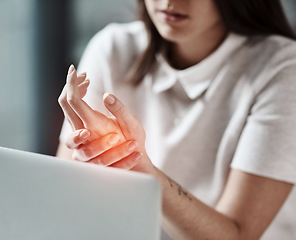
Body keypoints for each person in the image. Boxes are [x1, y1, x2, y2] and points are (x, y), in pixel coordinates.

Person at [57, 0, 296, 239]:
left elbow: (237, 235)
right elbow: (64, 197)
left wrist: (137, 165)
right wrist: (89, 154)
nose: (169, 2)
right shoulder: (112, 48)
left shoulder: (283, 68)